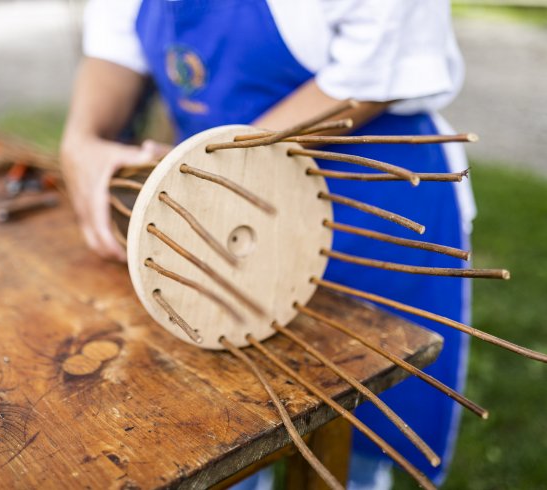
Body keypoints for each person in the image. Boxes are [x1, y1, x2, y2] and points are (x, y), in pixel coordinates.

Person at [60, 1, 475, 488]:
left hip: (361, 200)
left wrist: (226, 165)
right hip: (212, 216)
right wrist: (81, 140)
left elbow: (380, 61)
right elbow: (114, 44)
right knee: (219, 433)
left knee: (349, 447)